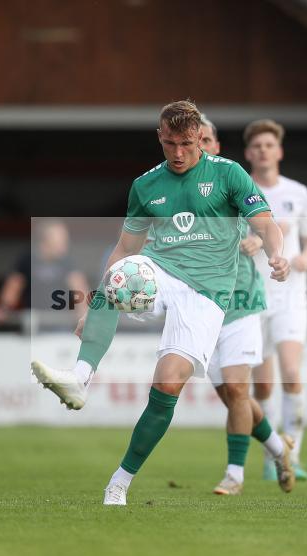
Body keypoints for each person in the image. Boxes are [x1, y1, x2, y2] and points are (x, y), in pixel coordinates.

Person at [30, 100, 289, 506]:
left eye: (187, 143)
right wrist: (100, 303)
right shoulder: (146, 185)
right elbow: (124, 249)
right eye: (170, 143)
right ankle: (79, 377)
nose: (179, 153)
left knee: (167, 384)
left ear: (201, 140)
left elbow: (265, 223)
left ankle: (119, 481)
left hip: (208, 295)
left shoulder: (228, 174)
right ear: (159, 138)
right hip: (162, 269)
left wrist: (276, 253)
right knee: (121, 272)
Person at [197, 114, 295, 496]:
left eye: (205, 140)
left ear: (216, 146)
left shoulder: (232, 178)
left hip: (241, 302)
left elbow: (268, 222)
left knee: (238, 392)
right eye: (192, 141)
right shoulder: (172, 190)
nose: (199, 147)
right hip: (201, 310)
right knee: (232, 397)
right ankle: (277, 447)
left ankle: (234, 475)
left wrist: (262, 241)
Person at [240, 119, 307, 481]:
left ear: (279, 151)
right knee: (264, 385)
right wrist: (254, 239)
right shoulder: (238, 190)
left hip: (290, 295)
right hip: (252, 297)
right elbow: (234, 239)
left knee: (291, 373)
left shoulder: (297, 192)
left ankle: (294, 454)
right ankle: (272, 456)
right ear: (248, 153)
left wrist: (306, 258)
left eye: (269, 145)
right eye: (257, 146)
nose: (263, 151)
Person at [0, 219, 89, 323]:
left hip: (59, 323)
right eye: (60, 240)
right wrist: (4, 308)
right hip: (33, 323)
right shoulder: (27, 260)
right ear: (45, 240)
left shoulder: (68, 262)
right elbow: (13, 287)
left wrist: (85, 314)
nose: (65, 245)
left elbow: (79, 289)